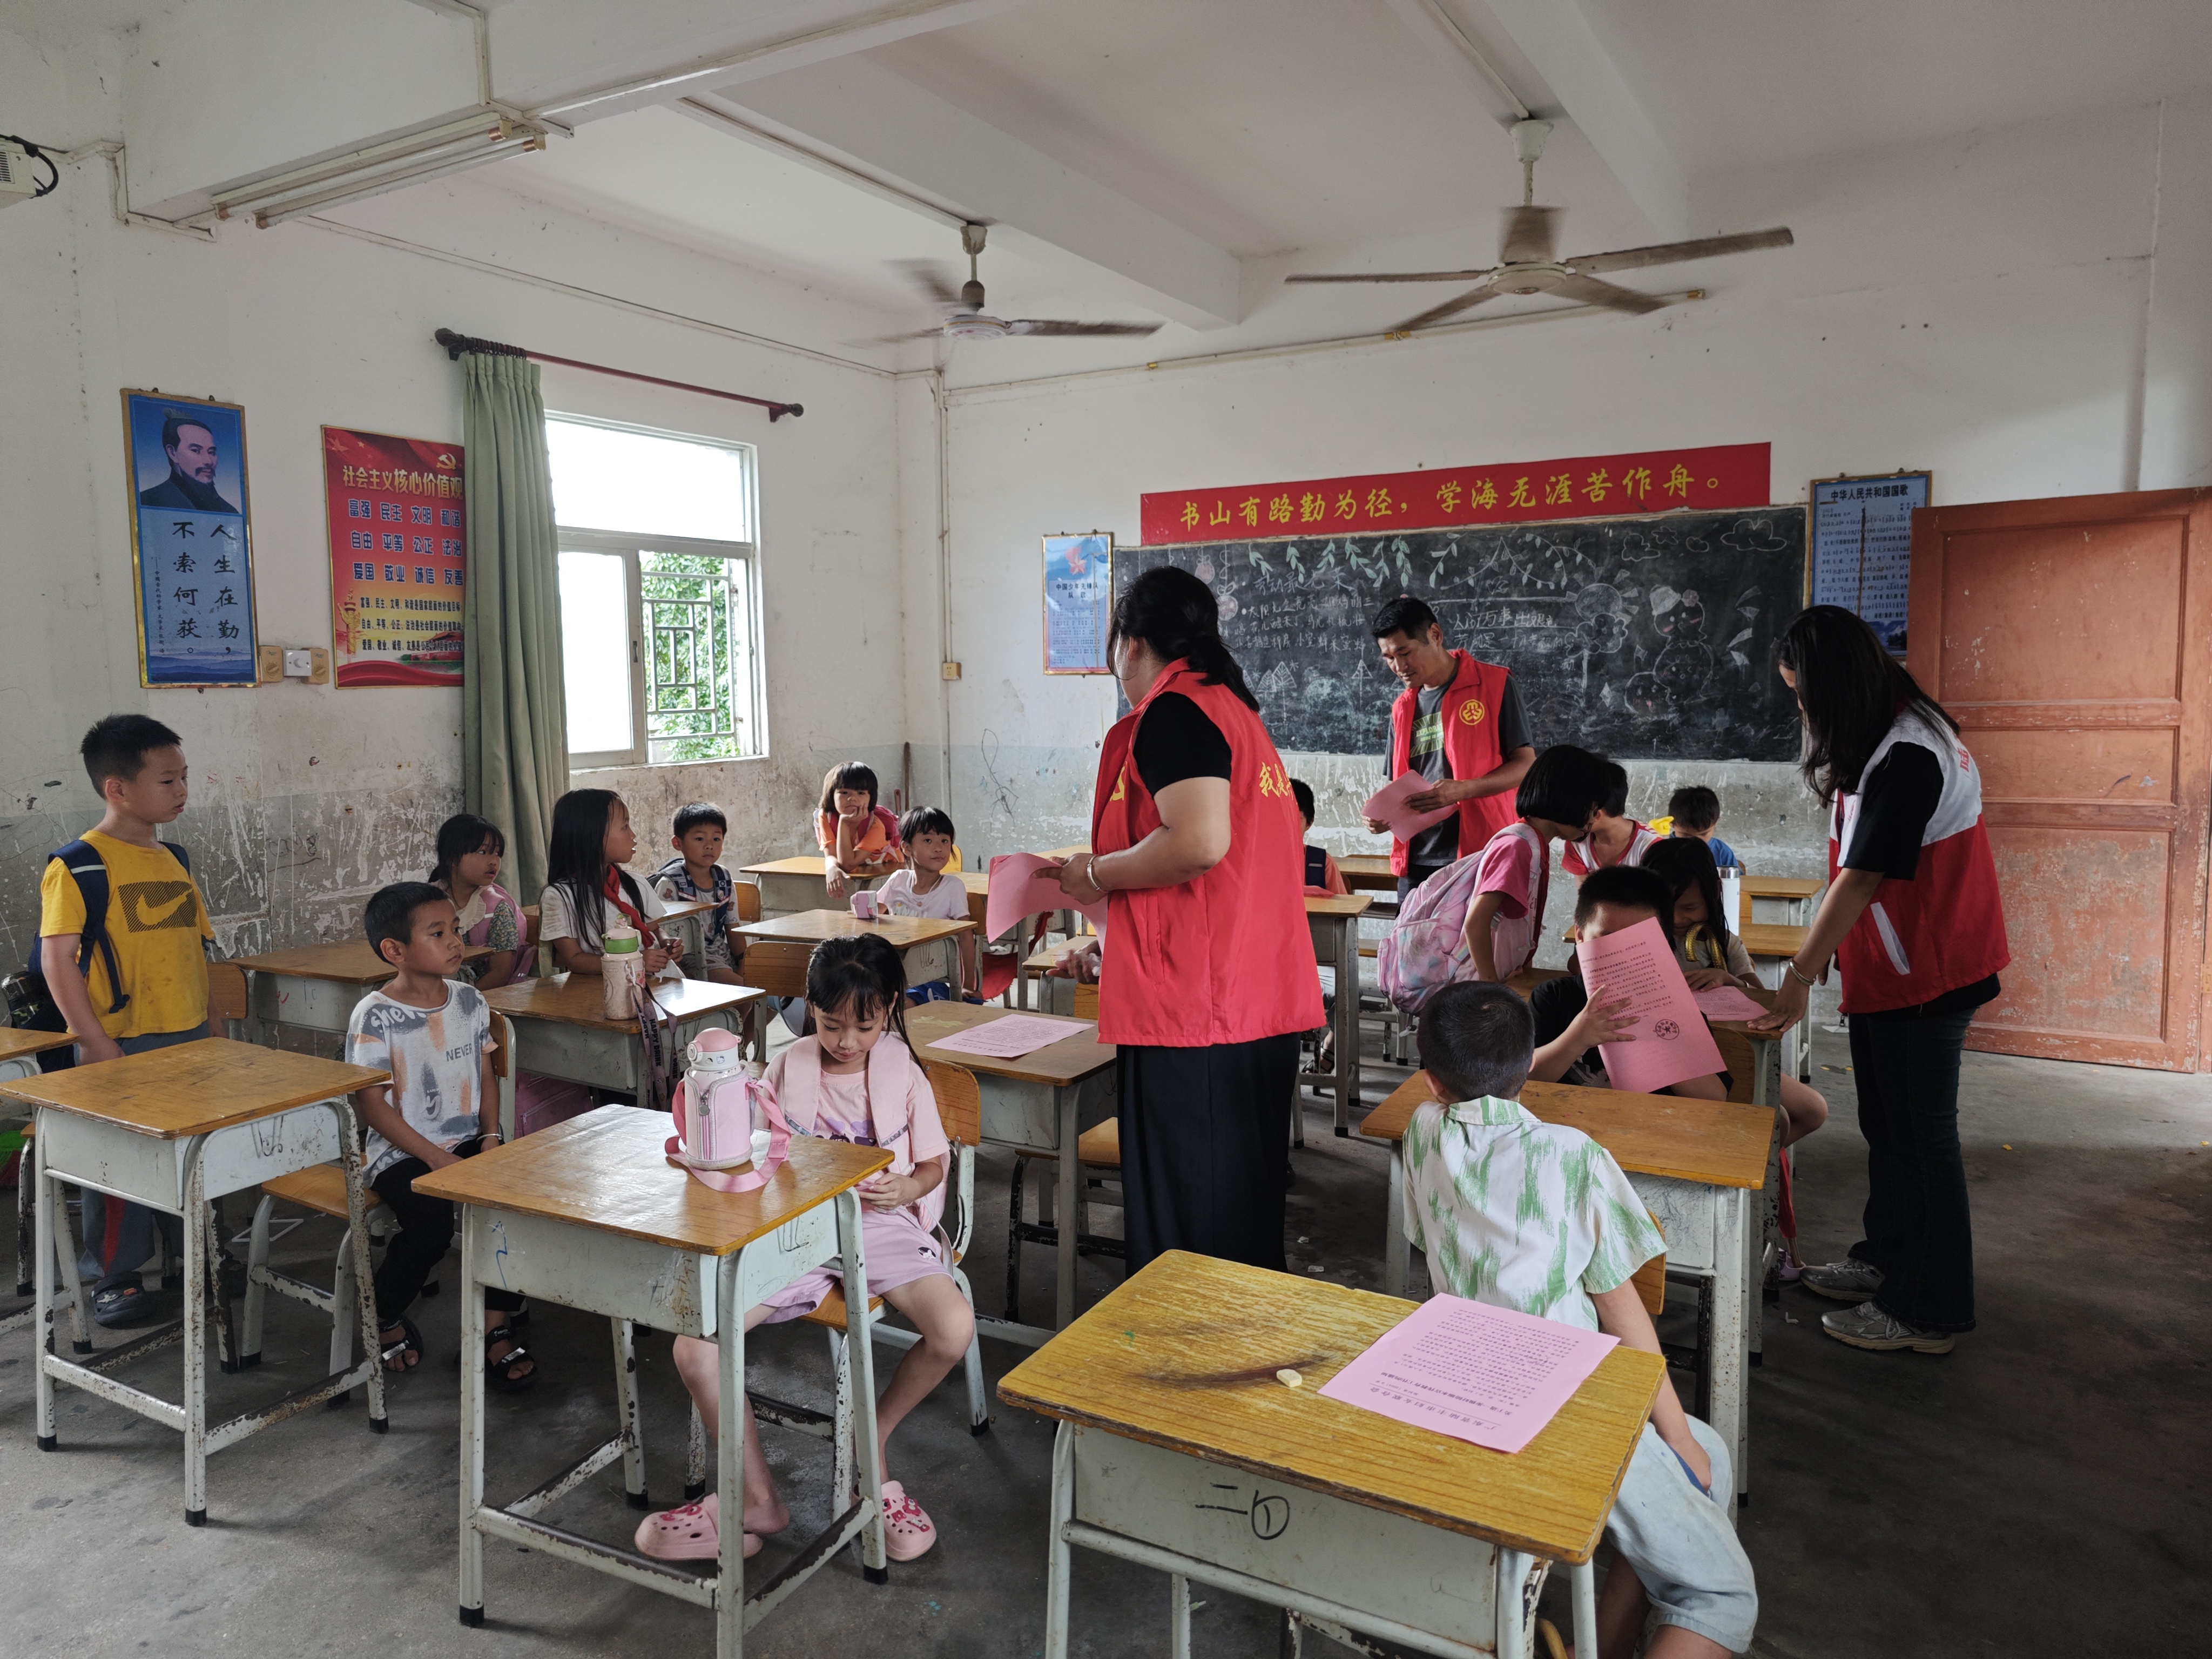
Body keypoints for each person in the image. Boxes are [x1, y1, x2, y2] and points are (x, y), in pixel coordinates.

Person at [1401, 982, 1758, 1659]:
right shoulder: (1572, 1156)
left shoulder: (1421, 1131)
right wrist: (1672, 1433)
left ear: (1431, 1081)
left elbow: (1425, 1237)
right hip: (1561, 1409)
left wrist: (1684, 1442)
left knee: (1707, 1451)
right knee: (1722, 1595)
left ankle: (1603, 1645)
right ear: (1527, 1066)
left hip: (1461, 1386)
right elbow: (1621, 1311)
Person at [636, 936, 973, 1566]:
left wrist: (908, 1187)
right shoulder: (788, 1066)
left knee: (953, 1329)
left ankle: (870, 1442)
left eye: (864, 1026)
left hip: (880, 1224)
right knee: (695, 1348)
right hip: (798, 1228)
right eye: (830, 1023)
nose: (847, 1041)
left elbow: (932, 1163)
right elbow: (755, 1152)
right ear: (809, 1008)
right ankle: (755, 1498)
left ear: (889, 1007)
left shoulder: (902, 1069)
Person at [1041, 565, 1319, 1272]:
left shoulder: (1175, 711)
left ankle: (1188, 1341)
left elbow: (1197, 844)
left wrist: (1095, 874)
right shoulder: (1234, 712)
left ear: (1131, 643)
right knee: (1239, 1209)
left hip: (1198, 1012)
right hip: (1253, 1000)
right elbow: (1220, 880)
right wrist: (1116, 942)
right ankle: (1239, 1336)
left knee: (1189, 1223)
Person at [1751, 606, 2008, 1356]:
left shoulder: (1911, 754)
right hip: (1896, 966)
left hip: (1928, 971)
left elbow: (1861, 877)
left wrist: (1799, 975)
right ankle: (1888, 1261)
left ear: (1835, 686)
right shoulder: (1889, 732)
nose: (1803, 711)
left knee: (1923, 1141)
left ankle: (1928, 1310)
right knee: (1889, 1129)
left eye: (1804, 696)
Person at [37, 714, 220, 1328]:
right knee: (119, 1164)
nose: (182, 790)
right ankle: (115, 1276)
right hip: (122, 1043)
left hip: (190, 1037)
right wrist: (94, 1042)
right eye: (168, 780)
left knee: (194, 1153)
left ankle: (198, 1252)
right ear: (117, 788)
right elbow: (57, 960)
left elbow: (195, 949)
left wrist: (213, 1020)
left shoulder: (175, 858)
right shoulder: (79, 866)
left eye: (184, 777)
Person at [344, 882, 533, 1389]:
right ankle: (384, 1313)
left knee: (519, 1206)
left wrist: (490, 1136)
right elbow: (372, 1105)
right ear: (395, 950)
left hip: (469, 1140)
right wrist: (435, 1159)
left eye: (455, 929)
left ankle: (494, 1324)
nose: (455, 941)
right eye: (438, 933)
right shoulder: (375, 1015)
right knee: (428, 1227)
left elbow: (486, 1076)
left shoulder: (469, 1000)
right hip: (401, 1151)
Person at [1363, 595, 1535, 901]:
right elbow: (1396, 782)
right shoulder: (1402, 707)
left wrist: (1464, 789)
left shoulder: (1494, 684)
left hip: (1481, 851)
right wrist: (1381, 816)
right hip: (1417, 857)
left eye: (1405, 653)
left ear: (1435, 635)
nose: (1399, 667)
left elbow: (1525, 766)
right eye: (1389, 658)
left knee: (1478, 934)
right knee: (1411, 934)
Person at [1456, 744, 1613, 983]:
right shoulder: (1518, 847)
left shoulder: (1534, 844)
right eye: (1591, 808)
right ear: (1568, 797)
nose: (1593, 819)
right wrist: (1491, 988)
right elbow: (1476, 923)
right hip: (1476, 986)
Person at [539, 788, 679, 980]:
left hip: (661, 980)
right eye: (625, 827)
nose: (633, 834)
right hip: (610, 988)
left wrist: (666, 941)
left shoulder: (635, 883)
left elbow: (654, 930)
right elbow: (574, 959)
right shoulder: (560, 896)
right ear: (592, 835)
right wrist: (632, 962)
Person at [878, 806, 977, 1001]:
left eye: (944, 841)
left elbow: (966, 936)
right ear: (907, 848)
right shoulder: (898, 880)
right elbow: (872, 916)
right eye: (928, 841)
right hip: (894, 973)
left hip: (931, 979)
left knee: (900, 1005)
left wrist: (967, 985)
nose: (938, 848)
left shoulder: (952, 887)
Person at [429, 812, 524, 989]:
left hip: (478, 995)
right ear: (452, 858)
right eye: (483, 852)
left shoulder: (497, 909)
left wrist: (463, 999)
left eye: (497, 853)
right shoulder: (425, 901)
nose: (494, 862)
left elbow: (501, 973)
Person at [653, 801, 744, 986]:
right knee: (743, 990)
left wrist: (743, 961)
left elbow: (733, 928)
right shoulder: (670, 883)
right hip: (688, 960)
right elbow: (658, 933)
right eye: (700, 839)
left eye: (716, 839)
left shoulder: (724, 878)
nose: (709, 846)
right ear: (678, 843)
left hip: (722, 954)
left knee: (763, 987)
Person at [816, 763, 902, 900]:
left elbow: (847, 865)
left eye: (861, 793)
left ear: (871, 798)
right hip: (859, 872)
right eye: (844, 792)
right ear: (831, 795)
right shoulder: (826, 816)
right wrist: (831, 868)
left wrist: (844, 823)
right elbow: (831, 855)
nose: (852, 798)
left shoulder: (876, 825)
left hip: (885, 875)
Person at [1562, 760, 1660, 878]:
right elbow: (1585, 889)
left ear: (1595, 814)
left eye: (1573, 809)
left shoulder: (1652, 849)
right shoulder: (1577, 842)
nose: (1568, 818)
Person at [136, 411, 238, 512]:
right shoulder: (148, 501)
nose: (209, 461)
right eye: (196, 450)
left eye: (212, 452)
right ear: (172, 453)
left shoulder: (229, 512)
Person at [1289, 779, 1347, 895]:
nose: (1285, 826)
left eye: (1294, 819)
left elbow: (1341, 906)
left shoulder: (1322, 864)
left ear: (1309, 824)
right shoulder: (1255, 863)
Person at [1665, 785, 1739, 870]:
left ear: (1716, 822)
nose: (1696, 841)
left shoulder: (1722, 852)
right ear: (1671, 823)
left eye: (1703, 834)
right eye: (1686, 835)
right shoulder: (1663, 850)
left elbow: (1736, 877)